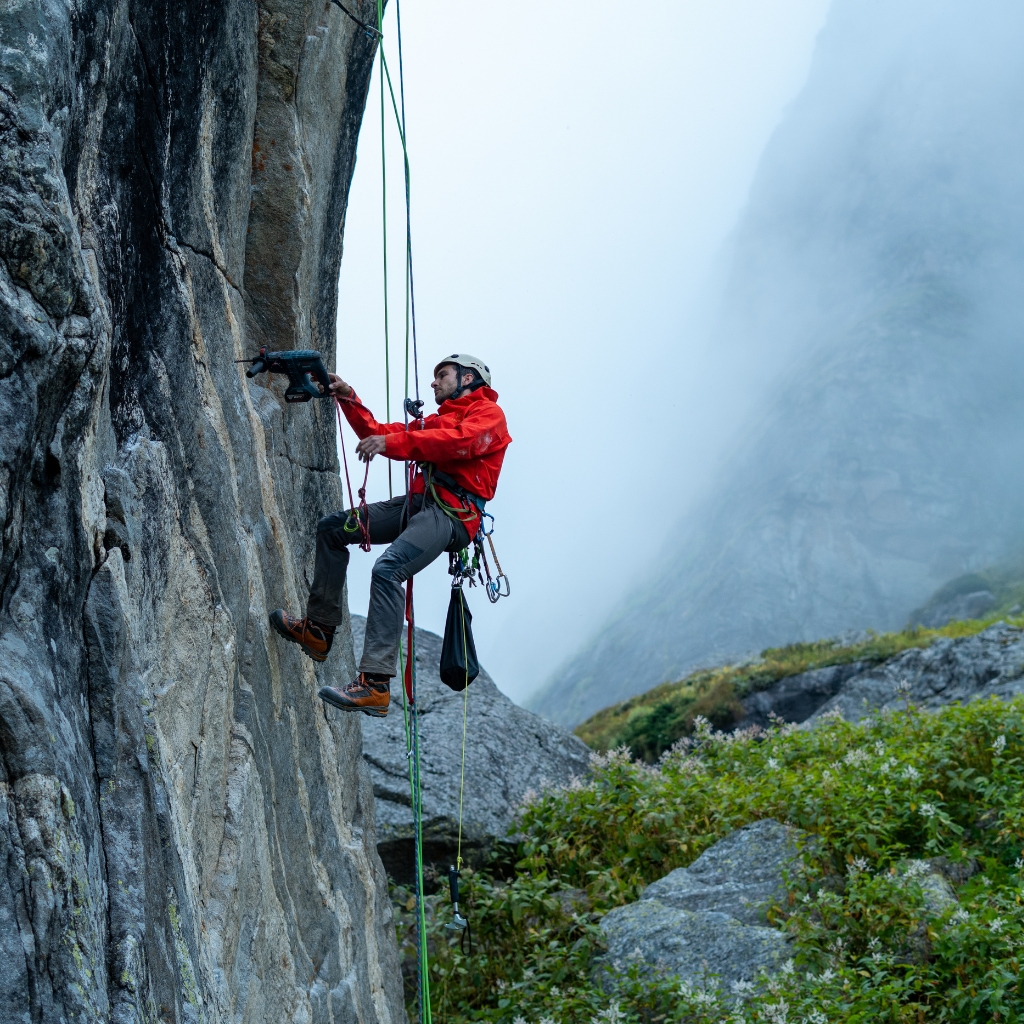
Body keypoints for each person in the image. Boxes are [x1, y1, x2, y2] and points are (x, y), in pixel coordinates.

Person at [269, 354, 511, 718]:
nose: (433, 382)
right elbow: (380, 434)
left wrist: (390, 443)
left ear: (468, 378)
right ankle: (318, 630)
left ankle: (376, 684)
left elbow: (457, 443)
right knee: (333, 528)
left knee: (387, 570)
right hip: (421, 504)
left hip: (451, 515)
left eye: (442, 375)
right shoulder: (435, 422)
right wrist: (348, 397)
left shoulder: (488, 416)